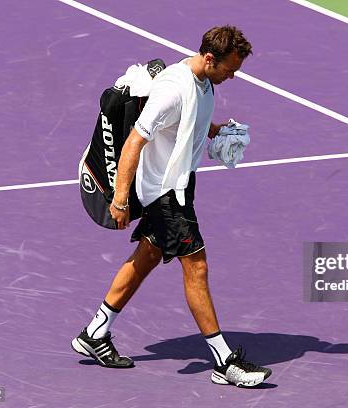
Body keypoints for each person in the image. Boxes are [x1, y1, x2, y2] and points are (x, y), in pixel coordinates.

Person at [71, 25, 272, 388]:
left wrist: (214, 131)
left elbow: (187, 119)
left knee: (147, 256)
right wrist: (119, 198)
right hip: (166, 195)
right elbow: (134, 141)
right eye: (229, 69)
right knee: (196, 266)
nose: (232, 75)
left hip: (180, 187)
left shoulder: (204, 83)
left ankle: (94, 333)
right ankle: (224, 362)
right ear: (210, 58)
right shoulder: (172, 88)